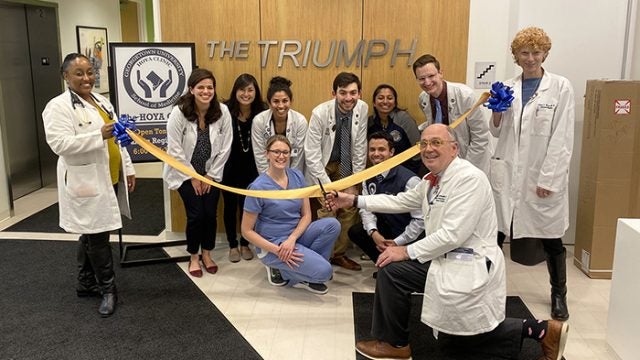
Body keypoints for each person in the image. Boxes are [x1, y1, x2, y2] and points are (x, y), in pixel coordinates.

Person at [326, 124, 569, 360]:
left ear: (454, 148)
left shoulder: (469, 179)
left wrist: (406, 251)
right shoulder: (433, 179)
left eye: (436, 142)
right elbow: (401, 201)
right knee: (393, 274)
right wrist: (353, 201)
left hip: (468, 263)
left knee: (458, 341)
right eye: (424, 144)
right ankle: (395, 343)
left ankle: (540, 330)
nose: (428, 148)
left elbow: (454, 234)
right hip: (446, 258)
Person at [490, 27, 574, 321]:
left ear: (545, 54)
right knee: (497, 232)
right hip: (509, 173)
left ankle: (559, 293)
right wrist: (497, 110)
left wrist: (548, 179)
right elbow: (496, 131)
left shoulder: (560, 87)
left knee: (550, 237)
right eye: (524, 53)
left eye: (536, 52)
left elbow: (562, 138)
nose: (530, 58)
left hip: (540, 175)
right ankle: (487, 287)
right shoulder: (507, 87)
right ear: (516, 56)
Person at [42, 53, 136, 317]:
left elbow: (118, 138)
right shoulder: (58, 107)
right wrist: (98, 134)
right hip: (86, 179)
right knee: (97, 233)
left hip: (110, 173)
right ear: (66, 77)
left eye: (90, 72)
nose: (86, 78)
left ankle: (85, 282)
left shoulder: (102, 102)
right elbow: (59, 144)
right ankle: (108, 289)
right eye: (79, 73)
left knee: (91, 231)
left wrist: (128, 168)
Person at [241, 135, 340, 294]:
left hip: (295, 236)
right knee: (325, 272)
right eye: (276, 152)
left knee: (332, 225)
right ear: (267, 154)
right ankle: (282, 268)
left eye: (285, 152)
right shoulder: (257, 187)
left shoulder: (297, 176)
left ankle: (303, 271)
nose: (281, 156)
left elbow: (306, 215)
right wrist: (277, 250)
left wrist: (292, 239)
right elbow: (246, 231)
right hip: (274, 243)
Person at [163, 68, 232, 278]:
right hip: (184, 172)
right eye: (200, 87)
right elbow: (174, 149)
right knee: (196, 215)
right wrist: (192, 176)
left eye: (209, 87)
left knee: (211, 215)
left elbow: (226, 146)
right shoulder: (179, 112)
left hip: (211, 173)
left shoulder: (222, 112)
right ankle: (194, 256)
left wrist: (210, 176)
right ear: (191, 89)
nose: (206, 91)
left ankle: (207, 254)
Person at [304, 72, 368, 271]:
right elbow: (312, 153)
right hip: (323, 165)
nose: (348, 98)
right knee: (328, 207)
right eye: (343, 93)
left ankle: (338, 254)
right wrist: (328, 188)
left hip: (346, 164)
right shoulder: (319, 113)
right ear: (334, 93)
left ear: (359, 93)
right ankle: (322, 255)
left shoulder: (362, 108)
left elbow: (359, 146)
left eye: (353, 93)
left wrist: (353, 182)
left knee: (350, 206)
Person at [348, 131, 424, 275]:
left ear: (392, 152)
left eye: (381, 149)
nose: (376, 154)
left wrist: (398, 242)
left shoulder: (410, 180)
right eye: (372, 149)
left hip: (410, 232)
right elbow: (366, 209)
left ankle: (399, 267)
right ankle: (386, 265)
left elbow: (420, 221)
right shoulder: (368, 176)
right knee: (357, 231)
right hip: (388, 226)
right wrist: (374, 234)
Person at [413, 54, 491, 175]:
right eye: (422, 78)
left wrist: (466, 168)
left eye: (431, 76)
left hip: (470, 160)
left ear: (440, 73)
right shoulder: (423, 99)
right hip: (443, 160)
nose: (427, 82)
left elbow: (480, 137)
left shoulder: (465, 95)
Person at [222, 74, 267, 263]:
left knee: (249, 208)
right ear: (235, 91)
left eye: (250, 90)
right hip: (229, 168)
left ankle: (245, 242)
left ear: (255, 92)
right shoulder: (225, 111)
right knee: (230, 207)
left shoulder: (262, 112)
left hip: (253, 169)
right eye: (242, 89)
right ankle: (232, 244)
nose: (246, 94)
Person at [252, 76, 307, 174]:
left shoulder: (300, 121)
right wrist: (269, 181)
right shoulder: (259, 121)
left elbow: (298, 159)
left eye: (285, 101)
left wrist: (291, 181)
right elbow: (260, 157)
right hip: (267, 175)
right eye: (276, 101)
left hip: (292, 175)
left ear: (291, 101)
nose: (281, 106)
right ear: (269, 103)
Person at [367, 84, 421, 173]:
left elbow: (418, 149)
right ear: (374, 103)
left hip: (406, 171)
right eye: (380, 98)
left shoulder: (404, 119)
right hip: (379, 172)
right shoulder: (370, 122)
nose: (385, 101)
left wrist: (410, 174)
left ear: (395, 102)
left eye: (389, 98)